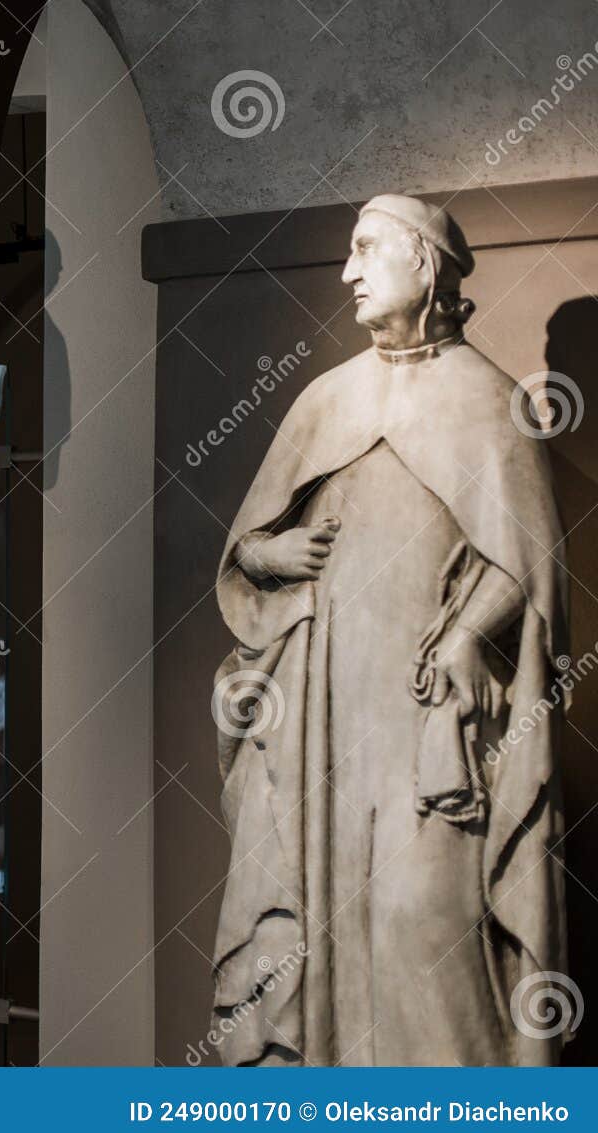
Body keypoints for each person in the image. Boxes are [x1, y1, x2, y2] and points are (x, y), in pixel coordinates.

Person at [211, 195, 567, 1066]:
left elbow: (528, 563)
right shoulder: (326, 400)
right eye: (348, 252)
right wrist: (273, 552)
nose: (348, 273)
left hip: (429, 725)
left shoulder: (487, 403)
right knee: (320, 915)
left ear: (427, 263)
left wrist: (463, 635)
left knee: (425, 921)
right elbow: (247, 549)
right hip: (327, 718)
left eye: (368, 249)